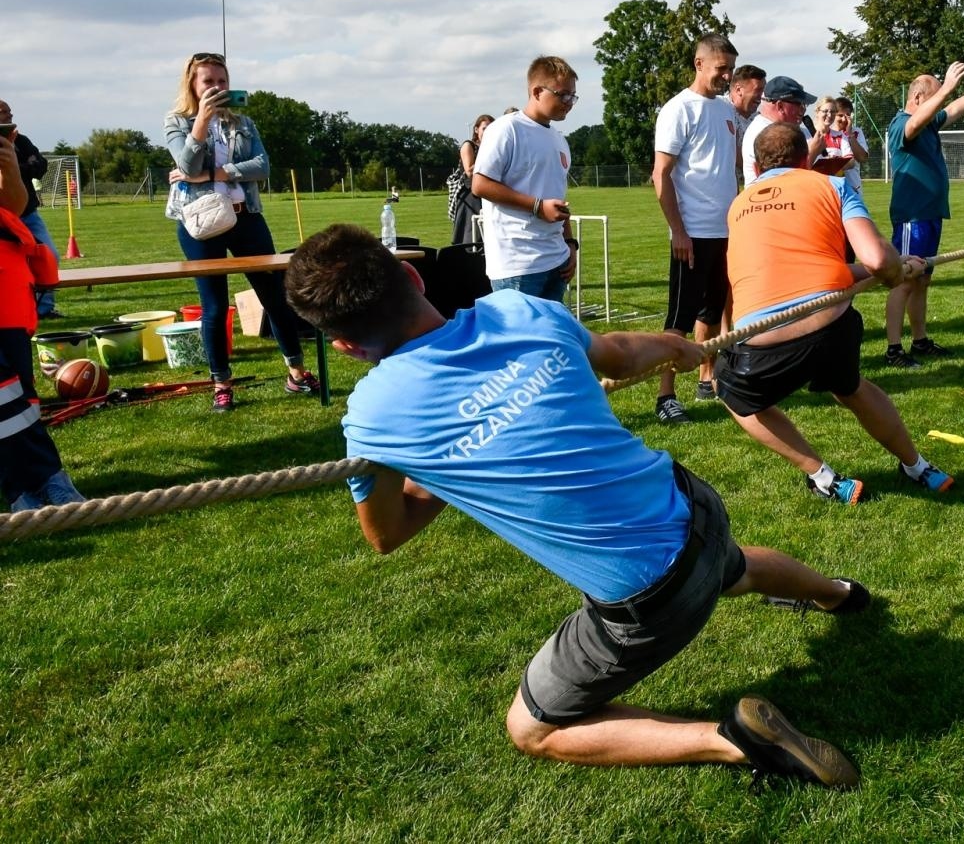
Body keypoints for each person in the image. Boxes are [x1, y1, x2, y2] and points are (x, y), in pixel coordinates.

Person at [283, 224, 866, 789]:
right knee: (726, 565)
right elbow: (617, 356)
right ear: (413, 276)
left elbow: (386, 533)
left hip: (649, 595)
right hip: (692, 506)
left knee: (533, 728)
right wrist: (671, 346)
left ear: (346, 345)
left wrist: (449, 463)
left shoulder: (372, 418)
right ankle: (840, 593)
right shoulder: (517, 310)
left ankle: (735, 740)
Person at [718, 123, 954, 505]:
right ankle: (918, 466)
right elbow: (876, 259)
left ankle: (823, 476)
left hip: (762, 342)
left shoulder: (738, 205)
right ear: (805, 159)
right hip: (832, 326)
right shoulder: (831, 185)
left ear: (757, 168)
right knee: (851, 388)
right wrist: (899, 270)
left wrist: (894, 265)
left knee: (729, 392)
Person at [163, 52, 319, 412]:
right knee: (214, 307)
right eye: (208, 81)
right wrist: (201, 122)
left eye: (222, 81)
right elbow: (186, 164)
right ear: (192, 84)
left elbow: (262, 166)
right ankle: (221, 383)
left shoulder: (244, 123)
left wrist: (215, 174)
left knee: (275, 296)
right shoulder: (176, 122)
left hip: (245, 216)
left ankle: (296, 372)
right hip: (200, 222)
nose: (217, 88)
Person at [884, 61, 964, 369]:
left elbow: (953, 111)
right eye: (937, 96)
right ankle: (893, 349)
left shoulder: (928, 123)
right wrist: (947, 87)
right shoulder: (902, 123)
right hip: (913, 215)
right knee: (905, 280)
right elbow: (913, 125)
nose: (943, 101)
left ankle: (920, 341)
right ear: (920, 98)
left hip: (930, 215)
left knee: (922, 280)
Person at [652, 34, 742, 422]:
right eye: (721, 68)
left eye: (731, 69)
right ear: (699, 64)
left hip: (725, 233)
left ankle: (709, 378)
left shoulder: (725, 111)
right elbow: (660, 174)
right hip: (692, 234)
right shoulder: (678, 109)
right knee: (679, 320)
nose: (727, 75)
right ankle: (665, 397)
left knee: (712, 312)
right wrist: (678, 230)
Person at [1, 132, 85, 512]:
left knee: (19, 398)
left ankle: (34, 485)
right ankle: (36, 482)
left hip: (8, 290)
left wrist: (6, 164)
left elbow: (14, 206)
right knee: (7, 396)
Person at [471, 57, 579, 301]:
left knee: (551, 338)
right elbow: (480, 184)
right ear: (537, 91)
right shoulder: (506, 129)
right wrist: (537, 206)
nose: (569, 103)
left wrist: (570, 244)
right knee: (519, 339)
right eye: (563, 95)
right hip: (518, 264)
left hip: (556, 260)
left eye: (573, 96)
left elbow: (558, 198)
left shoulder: (559, 139)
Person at [0, 99, 63, 319]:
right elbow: (31, 166)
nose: (9, 115)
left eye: (9, 111)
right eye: (4, 112)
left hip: (28, 214)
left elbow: (41, 166)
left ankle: (44, 308)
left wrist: (16, 168)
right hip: (3, 218)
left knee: (50, 255)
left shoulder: (21, 140)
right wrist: (24, 166)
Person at [740, 76, 820, 186]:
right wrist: (812, 153)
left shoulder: (792, 129)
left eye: (805, 104)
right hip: (768, 199)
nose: (803, 109)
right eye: (799, 103)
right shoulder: (764, 134)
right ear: (780, 106)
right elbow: (781, 179)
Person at [450, 114, 492, 246]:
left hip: (486, 195)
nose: (487, 132)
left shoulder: (492, 149)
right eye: (485, 128)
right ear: (476, 130)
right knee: (469, 235)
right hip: (469, 196)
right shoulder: (469, 145)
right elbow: (469, 171)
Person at [827, 97, 870, 194]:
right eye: (840, 115)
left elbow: (862, 158)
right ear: (833, 115)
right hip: (831, 189)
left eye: (848, 115)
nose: (844, 119)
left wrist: (850, 134)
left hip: (853, 187)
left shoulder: (856, 132)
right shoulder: (826, 132)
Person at [727, 65, 766, 136]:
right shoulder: (718, 111)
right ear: (739, 90)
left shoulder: (761, 121)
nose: (763, 95)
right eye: (758, 90)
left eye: (764, 90)